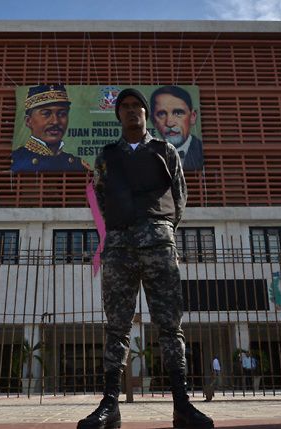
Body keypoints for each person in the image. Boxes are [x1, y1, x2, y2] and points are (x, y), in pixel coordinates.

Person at [78, 88, 213, 429]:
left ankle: (182, 405)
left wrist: (160, 228)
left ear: (145, 113)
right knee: (117, 328)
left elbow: (179, 198)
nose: (131, 110)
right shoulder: (107, 155)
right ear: (118, 115)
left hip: (158, 245)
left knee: (170, 327)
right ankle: (110, 405)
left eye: (137, 105)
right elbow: (104, 200)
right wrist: (122, 228)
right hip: (120, 247)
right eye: (124, 106)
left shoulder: (165, 150)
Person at [12, 84, 90, 172]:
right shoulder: (16, 160)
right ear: (28, 121)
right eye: (46, 113)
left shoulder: (77, 165)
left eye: (62, 114)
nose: (56, 121)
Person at [150, 85, 203, 171]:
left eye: (178, 113)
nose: (170, 123)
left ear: (192, 117)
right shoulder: (147, 155)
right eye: (161, 114)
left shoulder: (200, 151)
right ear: (153, 120)